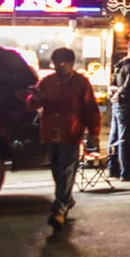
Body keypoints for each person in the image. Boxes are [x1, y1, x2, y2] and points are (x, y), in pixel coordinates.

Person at [29, 47, 100, 231]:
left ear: (71, 63)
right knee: (56, 170)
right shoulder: (47, 81)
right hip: (50, 132)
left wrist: (93, 132)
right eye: (56, 63)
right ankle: (67, 199)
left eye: (62, 63)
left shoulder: (80, 83)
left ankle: (59, 210)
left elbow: (90, 109)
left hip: (71, 133)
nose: (59, 67)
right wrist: (35, 98)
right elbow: (32, 103)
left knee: (66, 171)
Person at [107, 38, 130, 181]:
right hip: (126, 104)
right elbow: (129, 86)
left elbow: (113, 83)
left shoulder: (120, 63)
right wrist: (120, 92)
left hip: (116, 104)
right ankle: (126, 171)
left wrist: (114, 92)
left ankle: (112, 168)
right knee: (125, 139)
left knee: (114, 137)